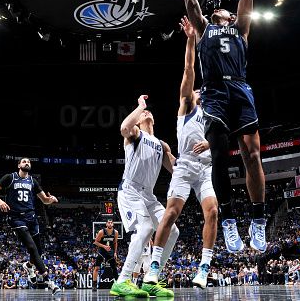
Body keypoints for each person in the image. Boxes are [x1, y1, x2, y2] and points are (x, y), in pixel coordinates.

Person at [168, 0, 267, 253]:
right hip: (213, 93)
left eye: (224, 8)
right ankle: (228, 222)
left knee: (252, 156)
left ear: (230, 14)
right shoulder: (203, 29)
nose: (219, 9)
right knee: (220, 158)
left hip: (239, 89)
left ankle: (258, 220)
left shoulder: (241, 29)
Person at [143, 16, 218, 289]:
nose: (199, 89)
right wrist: (190, 39)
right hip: (185, 167)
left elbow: (225, 138)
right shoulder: (187, 105)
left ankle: (203, 268)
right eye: (198, 89)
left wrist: (211, 143)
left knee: (213, 212)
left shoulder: (212, 115)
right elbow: (189, 69)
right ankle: (153, 266)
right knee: (171, 213)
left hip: (206, 167)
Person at [110, 95, 178, 298]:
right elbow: (123, 127)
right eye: (143, 114)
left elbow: (176, 170)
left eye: (149, 112)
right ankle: (122, 280)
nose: (147, 113)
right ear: (138, 119)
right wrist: (140, 107)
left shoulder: (162, 145)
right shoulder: (135, 133)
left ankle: (151, 279)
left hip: (148, 196)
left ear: (154, 121)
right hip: (130, 191)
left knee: (172, 231)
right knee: (146, 228)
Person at [0, 157, 62, 296]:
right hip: (16, 218)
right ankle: (50, 283)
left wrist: (51, 200)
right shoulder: (10, 177)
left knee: (38, 251)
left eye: (29, 162)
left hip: (31, 218)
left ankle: (29, 266)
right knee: (32, 248)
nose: (27, 163)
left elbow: (44, 200)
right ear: (19, 165)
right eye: (24, 161)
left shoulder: (33, 181)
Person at [92, 218, 118, 291]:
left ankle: (118, 284)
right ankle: (94, 285)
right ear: (106, 224)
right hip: (102, 251)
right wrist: (104, 246)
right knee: (97, 268)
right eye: (108, 222)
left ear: (113, 224)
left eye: (111, 222)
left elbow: (115, 243)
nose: (110, 224)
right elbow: (95, 242)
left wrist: (115, 252)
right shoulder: (101, 232)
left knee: (114, 268)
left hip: (110, 252)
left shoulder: (115, 232)